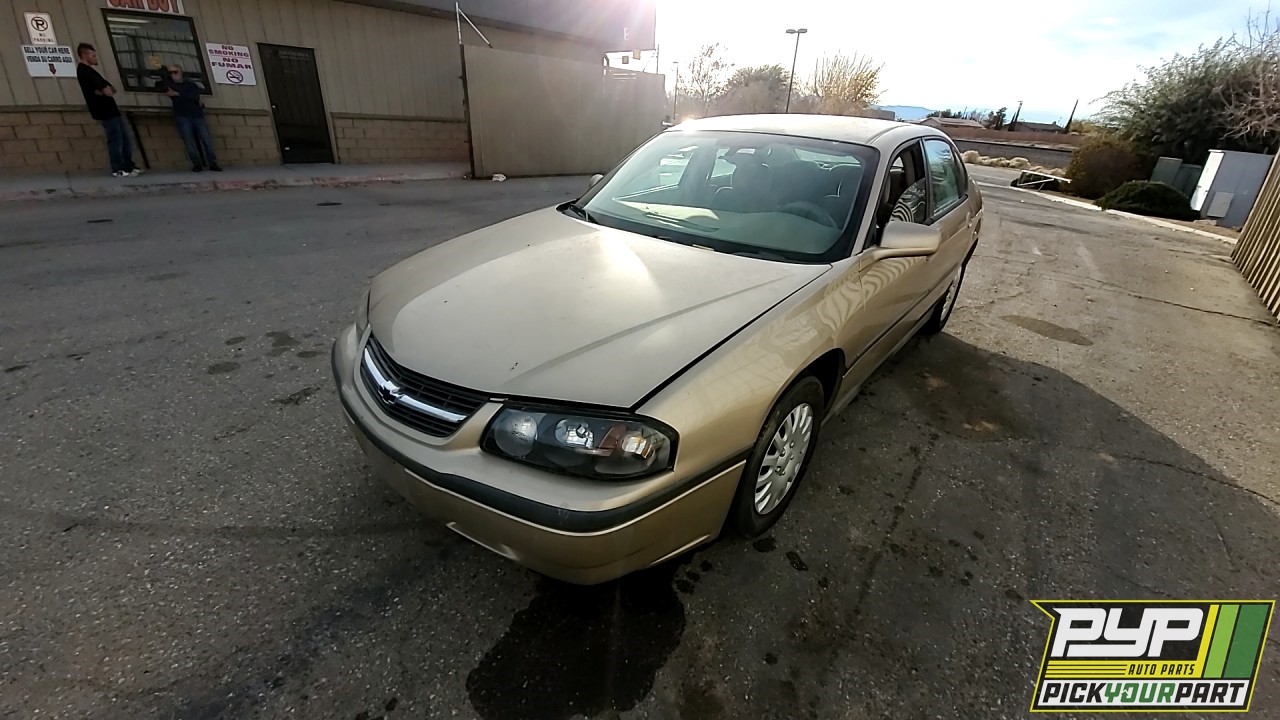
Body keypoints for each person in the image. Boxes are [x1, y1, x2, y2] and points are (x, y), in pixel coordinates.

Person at [75, 43, 140, 178]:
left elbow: (112, 89)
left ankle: (128, 166)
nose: (95, 58)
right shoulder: (85, 71)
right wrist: (104, 90)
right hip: (104, 111)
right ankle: (118, 168)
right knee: (115, 140)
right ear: (85, 55)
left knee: (125, 138)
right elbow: (108, 91)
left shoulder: (93, 71)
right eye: (93, 55)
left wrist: (105, 90)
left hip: (112, 109)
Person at [161, 65, 221, 172]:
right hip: (182, 116)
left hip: (197, 115)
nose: (173, 75)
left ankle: (212, 163)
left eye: (175, 72)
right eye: (170, 73)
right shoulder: (169, 84)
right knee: (189, 141)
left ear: (181, 72)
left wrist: (178, 94)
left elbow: (194, 96)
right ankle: (197, 164)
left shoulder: (191, 84)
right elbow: (165, 88)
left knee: (207, 140)